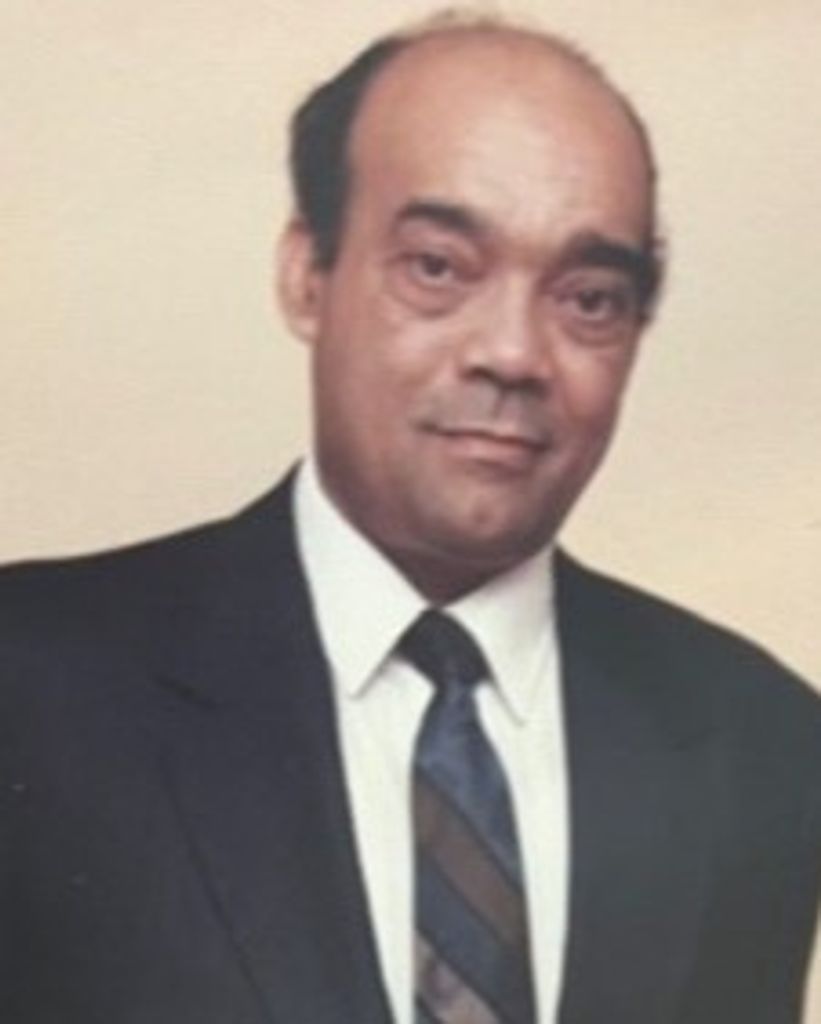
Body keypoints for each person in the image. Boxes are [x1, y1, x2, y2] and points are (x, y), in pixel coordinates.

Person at [1, 13, 819, 1024]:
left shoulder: (760, 742)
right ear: (307, 275)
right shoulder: (29, 690)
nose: (512, 353)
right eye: (437, 266)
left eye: (588, 298)